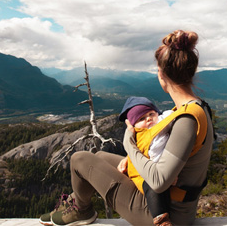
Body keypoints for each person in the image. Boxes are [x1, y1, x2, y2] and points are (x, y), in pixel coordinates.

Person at [39, 29, 214, 226]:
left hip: (164, 214)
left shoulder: (186, 120)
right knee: (100, 157)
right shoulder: (196, 108)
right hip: (173, 203)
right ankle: (77, 204)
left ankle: (82, 210)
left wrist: (128, 142)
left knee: (80, 159)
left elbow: (158, 181)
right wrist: (132, 160)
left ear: (161, 74)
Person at [117, 96, 174, 225]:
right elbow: (144, 150)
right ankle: (161, 220)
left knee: (158, 186)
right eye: (141, 118)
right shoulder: (140, 134)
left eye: (151, 114)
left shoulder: (161, 124)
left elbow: (170, 115)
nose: (148, 118)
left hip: (156, 170)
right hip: (142, 173)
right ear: (134, 125)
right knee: (152, 187)